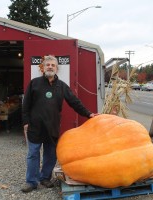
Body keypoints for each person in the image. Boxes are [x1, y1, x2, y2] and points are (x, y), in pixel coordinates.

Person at [21, 55, 98, 193]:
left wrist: (88, 114)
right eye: (47, 65)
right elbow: (25, 104)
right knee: (33, 154)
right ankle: (31, 181)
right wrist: (26, 122)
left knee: (50, 154)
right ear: (43, 68)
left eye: (53, 65)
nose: (50, 67)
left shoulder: (62, 86)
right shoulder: (34, 83)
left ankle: (45, 178)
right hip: (35, 126)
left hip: (52, 127)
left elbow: (74, 102)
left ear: (57, 68)